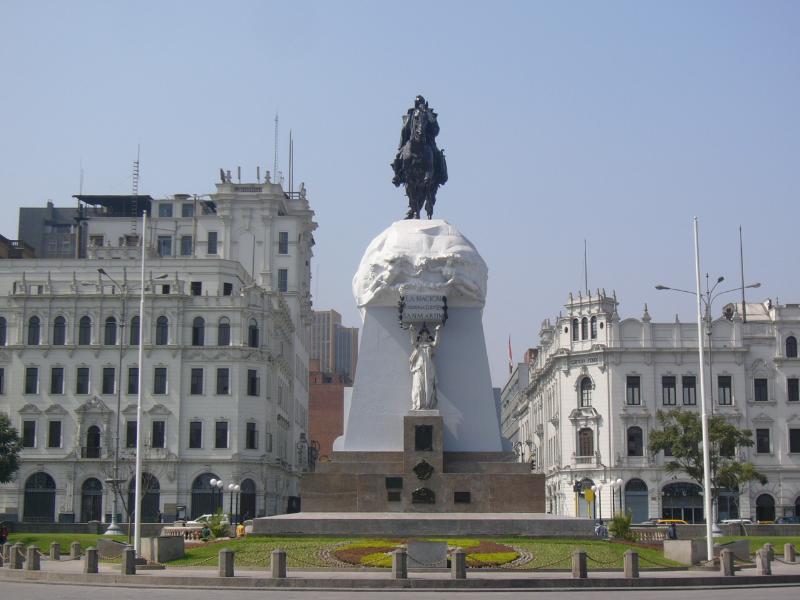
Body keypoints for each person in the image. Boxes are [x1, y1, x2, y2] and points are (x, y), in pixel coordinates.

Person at [409, 323, 442, 410]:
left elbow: (436, 342)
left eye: (426, 334)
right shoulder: (418, 344)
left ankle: (428, 405)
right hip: (419, 368)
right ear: (421, 335)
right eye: (423, 334)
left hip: (429, 368)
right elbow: (413, 342)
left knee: (429, 387)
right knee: (418, 386)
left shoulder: (430, 344)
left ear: (427, 335)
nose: (424, 336)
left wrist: (437, 332)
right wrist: (412, 331)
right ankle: (417, 405)